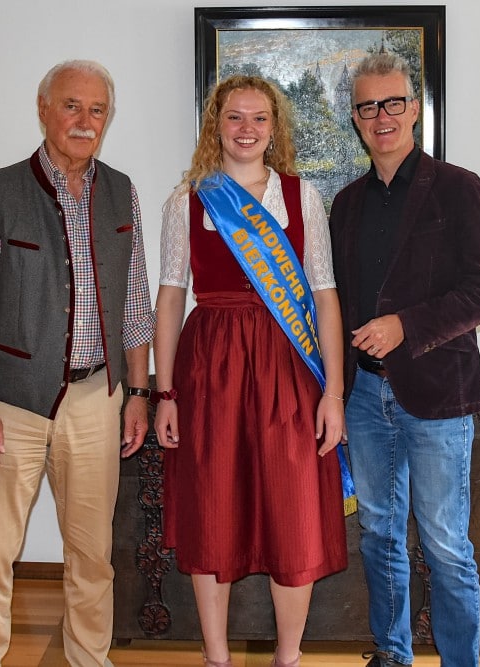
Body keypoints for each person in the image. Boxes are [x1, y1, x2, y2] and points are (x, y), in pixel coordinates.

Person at [0, 59, 155, 667]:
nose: (84, 121)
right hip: (12, 402)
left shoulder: (122, 191)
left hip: (98, 400)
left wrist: (137, 396)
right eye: (71, 106)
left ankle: (90, 658)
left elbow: (135, 303)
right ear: (44, 110)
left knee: (92, 555)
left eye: (97, 110)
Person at [153, 75, 349, 667]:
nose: (246, 129)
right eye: (234, 117)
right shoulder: (186, 200)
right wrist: (166, 393)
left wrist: (333, 390)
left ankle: (287, 657)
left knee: (292, 510)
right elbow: (168, 298)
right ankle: (217, 657)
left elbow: (324, 296)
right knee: (212, 506)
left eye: (259, 118)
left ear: (274, 128)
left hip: (289, 369)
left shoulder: (302, 197)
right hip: (209, 367)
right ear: (216, 124)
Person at [329, 54, 480, 667]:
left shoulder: (459, 188)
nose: (381, 117)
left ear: (415, 107)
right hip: (363, 398)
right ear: (355, 118)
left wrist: (406, 325)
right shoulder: (345, 205)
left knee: (445, 543)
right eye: (367, 106)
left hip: (436, 394)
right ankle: (393, 653)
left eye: (393, 103)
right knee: (379, 535)